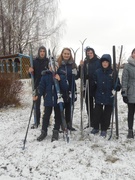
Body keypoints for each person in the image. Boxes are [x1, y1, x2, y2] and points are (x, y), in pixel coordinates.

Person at [34, 62, 69, 142]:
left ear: (57, 67)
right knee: (46, 116)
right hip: (48, 99)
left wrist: (60, 80)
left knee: (58, 116)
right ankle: (44, 131)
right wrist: (37, 94)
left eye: (55, 66)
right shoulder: (45, 76)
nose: (52, 68)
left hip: (58, 100)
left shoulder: (61, 75)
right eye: (51, 66)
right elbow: (41, 87)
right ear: (49, 67)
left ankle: (56, 131)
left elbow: (65, 87)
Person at [91, 54, 121, 137]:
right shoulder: (97, 72)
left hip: (109, 96)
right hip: (99, 95)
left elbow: (118, 84)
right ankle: (96, 127)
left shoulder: (113, 72)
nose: (104, 63)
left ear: (109, 63)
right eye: (103, 62)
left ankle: (104, 129)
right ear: (101, 63)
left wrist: (116, 88)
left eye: (106, 62)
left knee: (107, 114)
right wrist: (93, 92)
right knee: (97, 112)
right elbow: (94, 83)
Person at [57, 47, 78, 131]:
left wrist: (76, 73)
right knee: (60, 107)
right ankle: (61, 124)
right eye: (65, 53)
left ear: (70, 55)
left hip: (70, 89)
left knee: (69, 107)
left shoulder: (73, 64)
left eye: (68, 54)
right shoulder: (58, 64)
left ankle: (69, 124)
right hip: (61, 89)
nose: (66, 55)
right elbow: (53, 73)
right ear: (62, 54)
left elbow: (76, 77)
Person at [79, 47, 100, 128]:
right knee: (89, 104)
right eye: (88, 53)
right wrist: (80, 66)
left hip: (96, 86)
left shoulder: (98, 61)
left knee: (98, 105)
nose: (89, 54)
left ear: (93, 53)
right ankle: (90, 120)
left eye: (91, 53)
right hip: (87, 86)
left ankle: (98, 121)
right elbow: (80, 74)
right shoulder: (85, 62)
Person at [29, 46, 49, 128]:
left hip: (46, 86)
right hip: (37, 85)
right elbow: (30, 75)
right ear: (38, 52)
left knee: (47, 104)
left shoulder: (48, 61)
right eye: (41, 51)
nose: (42, 53)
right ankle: (36, 122)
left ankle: (46, 120)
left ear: (45, 52)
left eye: (44, 51)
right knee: (37, 104)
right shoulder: (34, 61)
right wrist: (30, 71)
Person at [121, 48, 135, 138]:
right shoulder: (127, 66)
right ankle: (130, 131)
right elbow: (124, 80)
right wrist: (124, 93)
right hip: (131, 92)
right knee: (131, 112)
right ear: (132, 54)